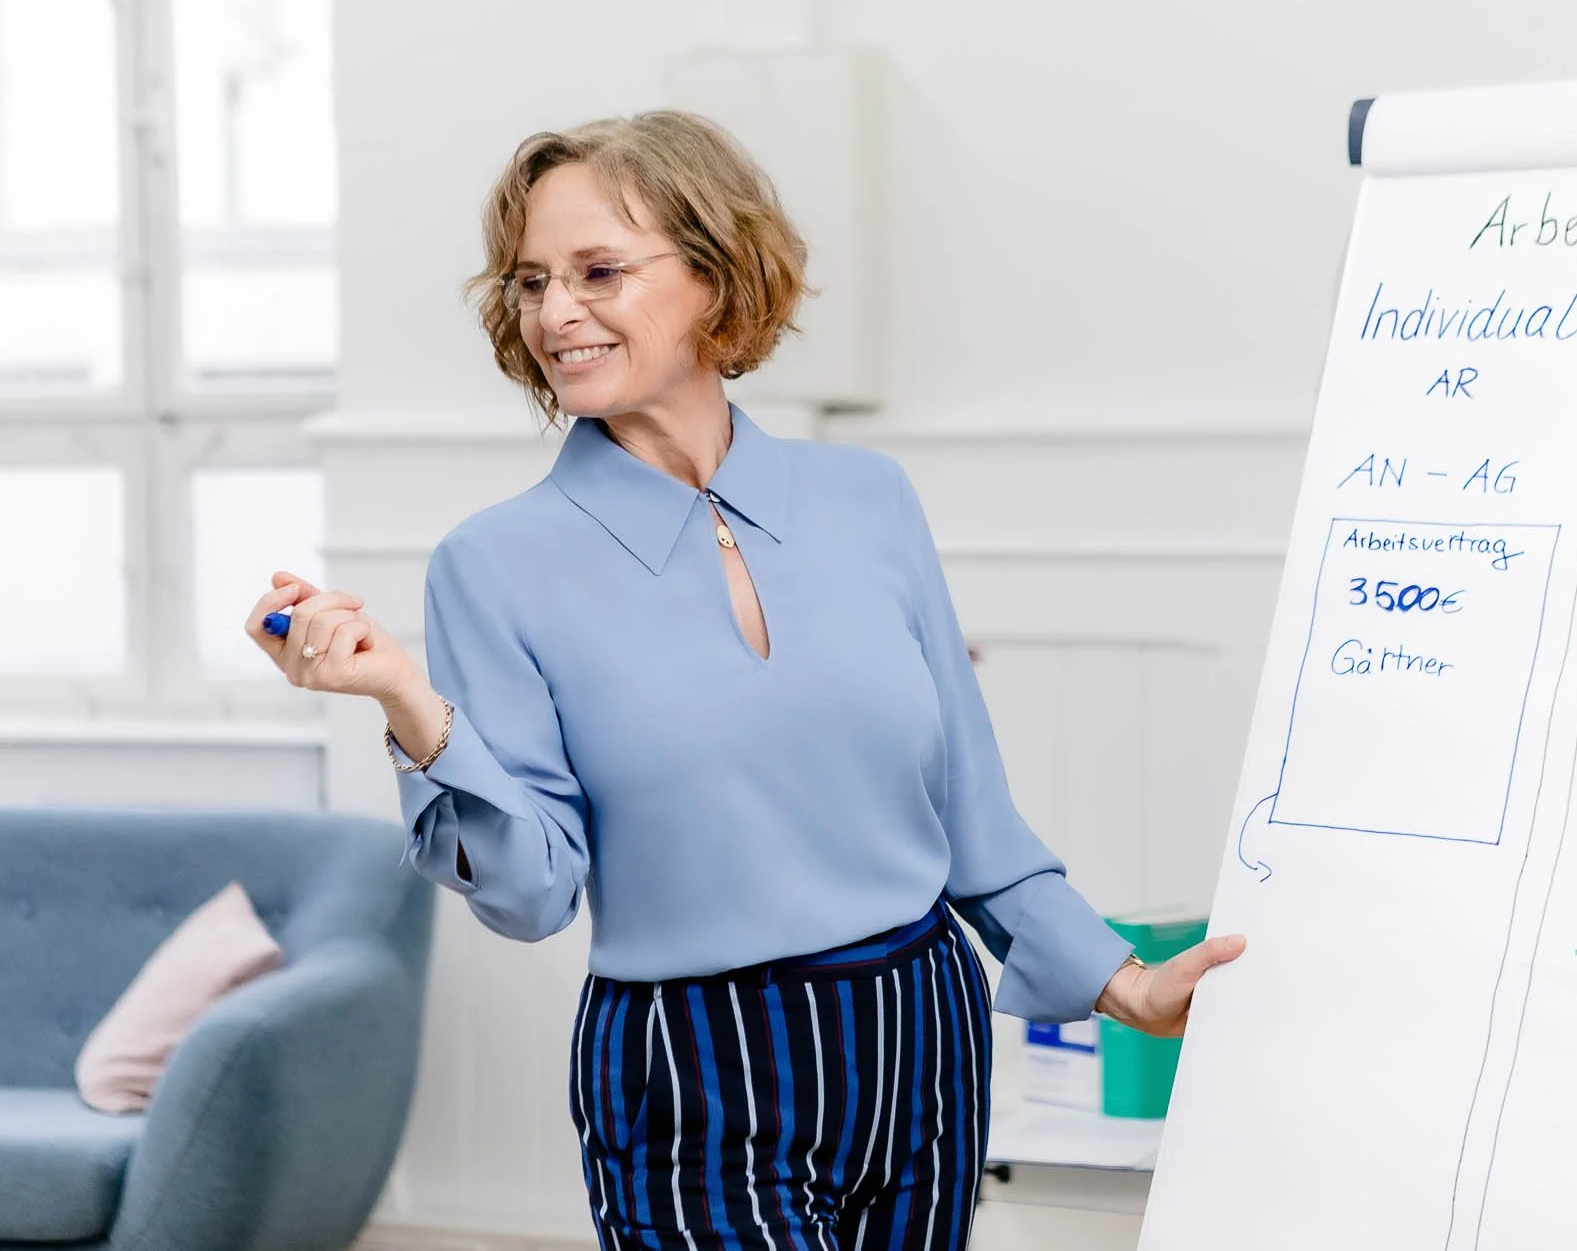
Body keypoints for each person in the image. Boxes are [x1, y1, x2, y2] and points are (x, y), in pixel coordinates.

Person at [246, 110, 1244, 1250]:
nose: (554, 312)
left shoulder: (868, 500)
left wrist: (1125, 984)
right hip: (691, 1064)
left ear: (717, 280)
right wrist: (409, 706)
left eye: (598, 271)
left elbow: (967, 807)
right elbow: (528, 896)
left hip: (922, 1028)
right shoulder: (494, 563)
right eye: (530, 283)